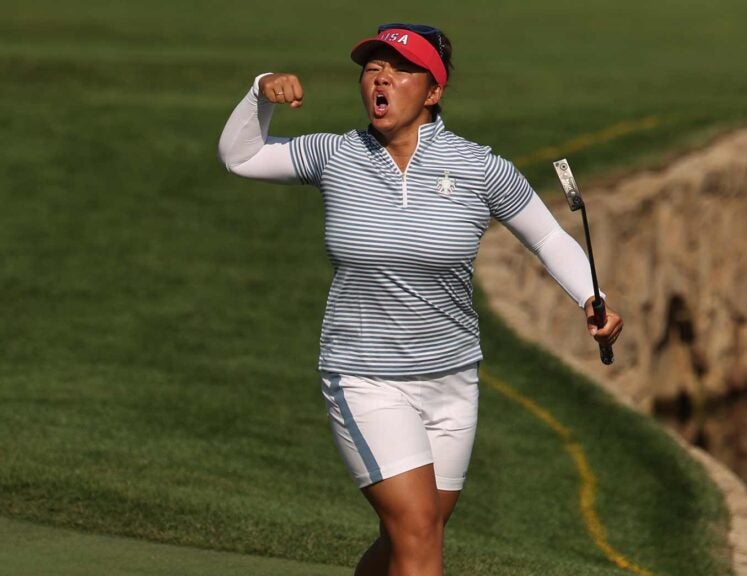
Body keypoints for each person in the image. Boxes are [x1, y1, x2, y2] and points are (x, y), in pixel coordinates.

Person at [217, 23, 623, 576]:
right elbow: (241, 156)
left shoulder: (480, 167)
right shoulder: (334, 155)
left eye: (401, 68)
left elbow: (548, 236)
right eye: (372, 67)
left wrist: (590, 298)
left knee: (406, 538)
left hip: (453, 383)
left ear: (433, 91)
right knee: (418, 534)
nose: (381, 77)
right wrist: (261, 89)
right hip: (366, 378)